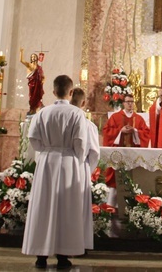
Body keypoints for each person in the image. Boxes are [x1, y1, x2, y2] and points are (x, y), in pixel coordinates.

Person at [22, 75, 100, 269]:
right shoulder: (76, 114)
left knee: (44, 206)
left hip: (47, 161)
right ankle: (63, 256)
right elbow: (80, 143)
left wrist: (47, 150)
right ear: (71, 92)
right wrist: (79, 160)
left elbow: (33, 139)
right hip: (69, 162)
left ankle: (41, 255)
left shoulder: (42, 112)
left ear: (54, 91)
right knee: (67, 208)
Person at [102, 93, 150, 188]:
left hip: (133, 153)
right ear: (123, 103)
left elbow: (146, 133)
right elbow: (107, 131)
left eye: (132, 102)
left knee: (133, 180)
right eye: (128, 102)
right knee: (116, 180)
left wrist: (135, 131)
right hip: (119, 152)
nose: (130, 104)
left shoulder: (139, 118)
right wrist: (120, 131)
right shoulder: (115, 117)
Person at [20, 48, 45, 115]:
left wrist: (43, 80)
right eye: (32, 57)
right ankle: (32, 108)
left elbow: (43, 76)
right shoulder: (29, 65)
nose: (33, 58)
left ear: (36, 58)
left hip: (38, 84)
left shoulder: (39, 67)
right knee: (32, 96)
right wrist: (21, 52)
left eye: (34, 57)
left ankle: (37, 108)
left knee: (38, 96)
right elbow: (22, 61)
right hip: (32, 84)